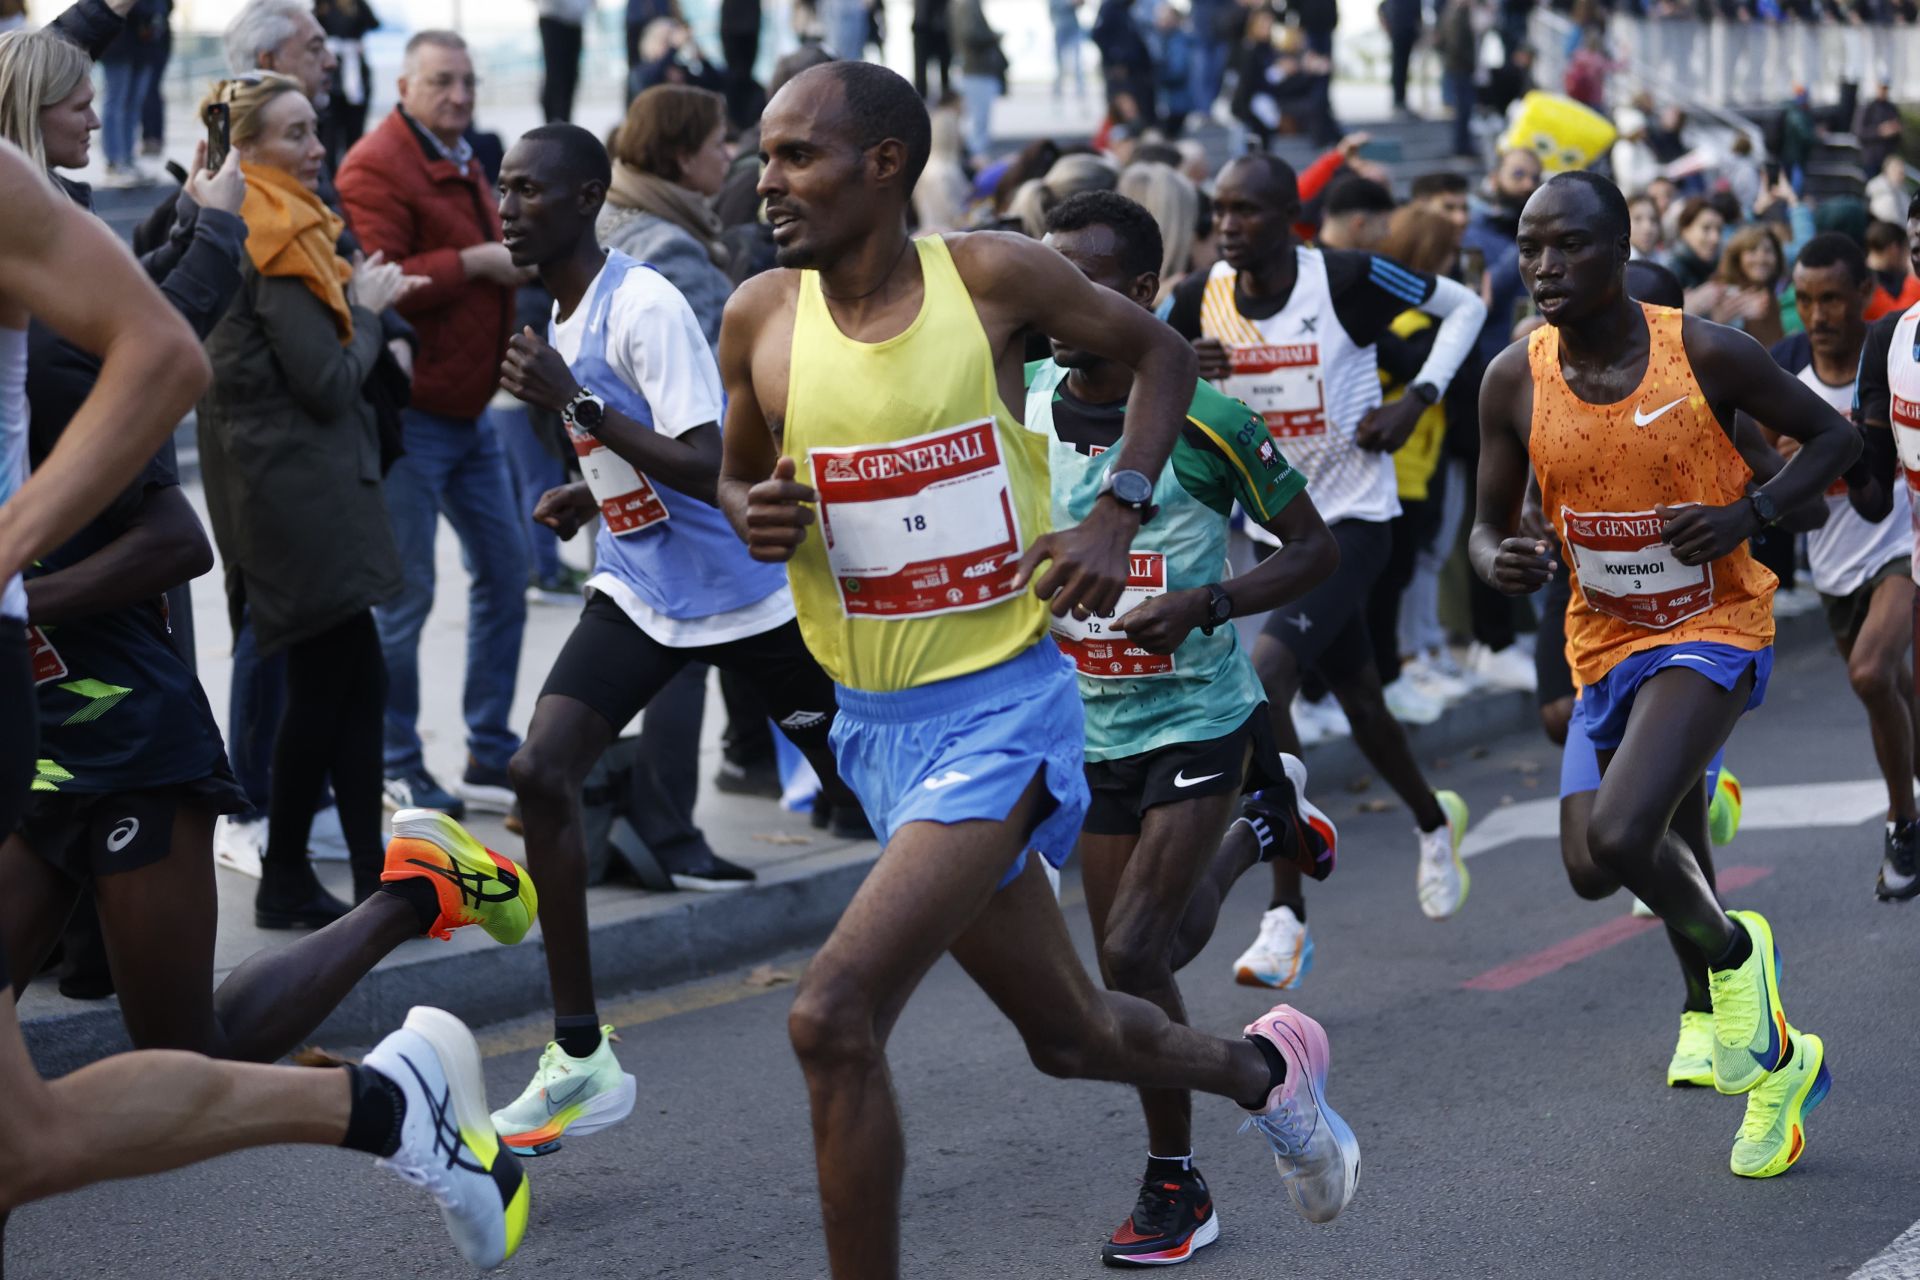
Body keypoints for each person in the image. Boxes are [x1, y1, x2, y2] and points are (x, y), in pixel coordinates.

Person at [717, 62, 1361, 1277]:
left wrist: (1120, 504)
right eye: (764, 154)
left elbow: (1166, 352)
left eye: (799, 155)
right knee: (1068, 1034)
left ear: (884, 164)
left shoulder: (988, 278)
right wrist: (753, 510)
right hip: (874, 723)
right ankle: (1264, 1069)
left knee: (832, 1012)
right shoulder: (759, 314)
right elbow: (736, 470)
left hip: (1003, 709)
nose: (769, 180)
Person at [0, 138, 529, 1272]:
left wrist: (15, 580)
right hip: (31, 742)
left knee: (190, 1039)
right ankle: (393, 1091)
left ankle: (409, 904)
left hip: (120, 732)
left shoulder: (51, 348)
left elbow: (175, 521)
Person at [487, 123, 865, 1154]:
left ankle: (1011, 863)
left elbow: (710, 466)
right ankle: (579, 1055)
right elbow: (631, 455)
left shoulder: (643, 300)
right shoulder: (556, 312)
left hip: (750, 596)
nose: (506, 208)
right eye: (502, 191)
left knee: (877, 791)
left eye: (526, 192)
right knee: (538, 770)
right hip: (644, 588)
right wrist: (590, 488)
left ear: (583, 199)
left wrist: (579, 408)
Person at [1472, 169, 1857, 1179]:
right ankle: (1778, 1058)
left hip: (1713, 622)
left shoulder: (1706, 353)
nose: (1544, 266)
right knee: (1603, 862)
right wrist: (1498, 559)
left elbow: (1837, 439)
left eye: (1569, 246)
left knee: (1621, 829)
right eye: (1529, 246)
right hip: (1604, 637)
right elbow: (1483, 526)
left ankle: (1734, 966)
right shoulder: (1514, 377)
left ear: (1618, 245)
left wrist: (1750, 517)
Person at [1027, 189, 1342, 1268]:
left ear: (1146, 295)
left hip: (1199, 710)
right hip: (1086, 726)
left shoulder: (1208, 418)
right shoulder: (1013, 399)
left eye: (1093, 280)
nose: (1066, 301)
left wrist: (1206, 603)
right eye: (1050, 274)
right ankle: (1269, 826)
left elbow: (1314, 551)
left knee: (1126, 953)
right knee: (1137, 971)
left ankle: (1174, 1180)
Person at [1164, 151, 1488, 987]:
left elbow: (1463, 308)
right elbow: (1142, 366)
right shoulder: (1199, 298)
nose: (1229, 226)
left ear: (1289, 220)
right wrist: (1179, 372)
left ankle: (1284, 916)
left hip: (1351, 522)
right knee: (1362, 701)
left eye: (1248, 212)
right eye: (1220, 211)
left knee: (1263, 682)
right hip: (1275, 530)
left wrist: (1417, 399)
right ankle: (1430, 817)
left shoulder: (1342, 277)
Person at [195, 72, 416, 921]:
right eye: (295, 134)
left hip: (302, 489)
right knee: (333, 688)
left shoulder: (283, 221)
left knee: (353, 685)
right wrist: (365, 313)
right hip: (294, 498)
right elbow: (325, 382)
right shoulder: (270, 231)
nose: (317, 147)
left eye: (315, 129)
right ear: (244, 151)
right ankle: (294, 874)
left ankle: (363, 878)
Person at [338, 30, 533, 819]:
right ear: (405, 85)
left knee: (508, 570)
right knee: (405, 597)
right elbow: (375, 285)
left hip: (471, 411)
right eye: (442, 82)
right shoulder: (375, 163)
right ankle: (396, 759)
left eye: (467, 81)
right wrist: (474, 265)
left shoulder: (462, 151)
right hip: (413, 419)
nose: (459, 95)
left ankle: (489, 748)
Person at [1768, 233, 1920, 892]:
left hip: (1897, 545)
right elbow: (1761, 478)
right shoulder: (1778, 369)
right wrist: (1775, 465)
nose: (1818, 315)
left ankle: (1900, 823)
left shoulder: (1891, 354)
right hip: (1832, 566)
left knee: (1869, 675)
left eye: (1832, 298)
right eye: (1804, 300)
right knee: (1892, 692)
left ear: (1864, 294)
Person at [1842, 193, 1920, 899]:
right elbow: (1872, 499)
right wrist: (1834, 446)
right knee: (1877, 675)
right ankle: (1906, 821)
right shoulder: (1888, 341)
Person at [601, 84, 734, 349]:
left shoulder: (610, 208)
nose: (727, 155)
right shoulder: (671, 249)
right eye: (718, 144)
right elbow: (699, 365)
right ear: (685, 158)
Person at [1687, 222, 1786, 347]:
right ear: (1737, 256)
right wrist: (1714, 321)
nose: (1761, 258)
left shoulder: (1770, 295)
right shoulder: (1720, 291)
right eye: (1752, 251)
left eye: (1768, 251)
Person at [312, 0, 377, 167]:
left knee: (354, 134)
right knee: (329, 136)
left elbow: (374, 23)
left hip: (354, 76)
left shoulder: (359, 6)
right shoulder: (321, 6)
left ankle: (356, 171)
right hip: (334, 79)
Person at [535, 0, 590, 123]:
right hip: (552, 16)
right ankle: (553, 123)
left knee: (571, 77)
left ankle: (564, 122)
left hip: (575, 19)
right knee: (555, 76)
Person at [1663, 197, 1724, 291]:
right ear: (1685, 230)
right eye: (1706, 228)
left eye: (1719, 230)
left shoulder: (1717, 267)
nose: (1715, 238)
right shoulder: (1672, 272)